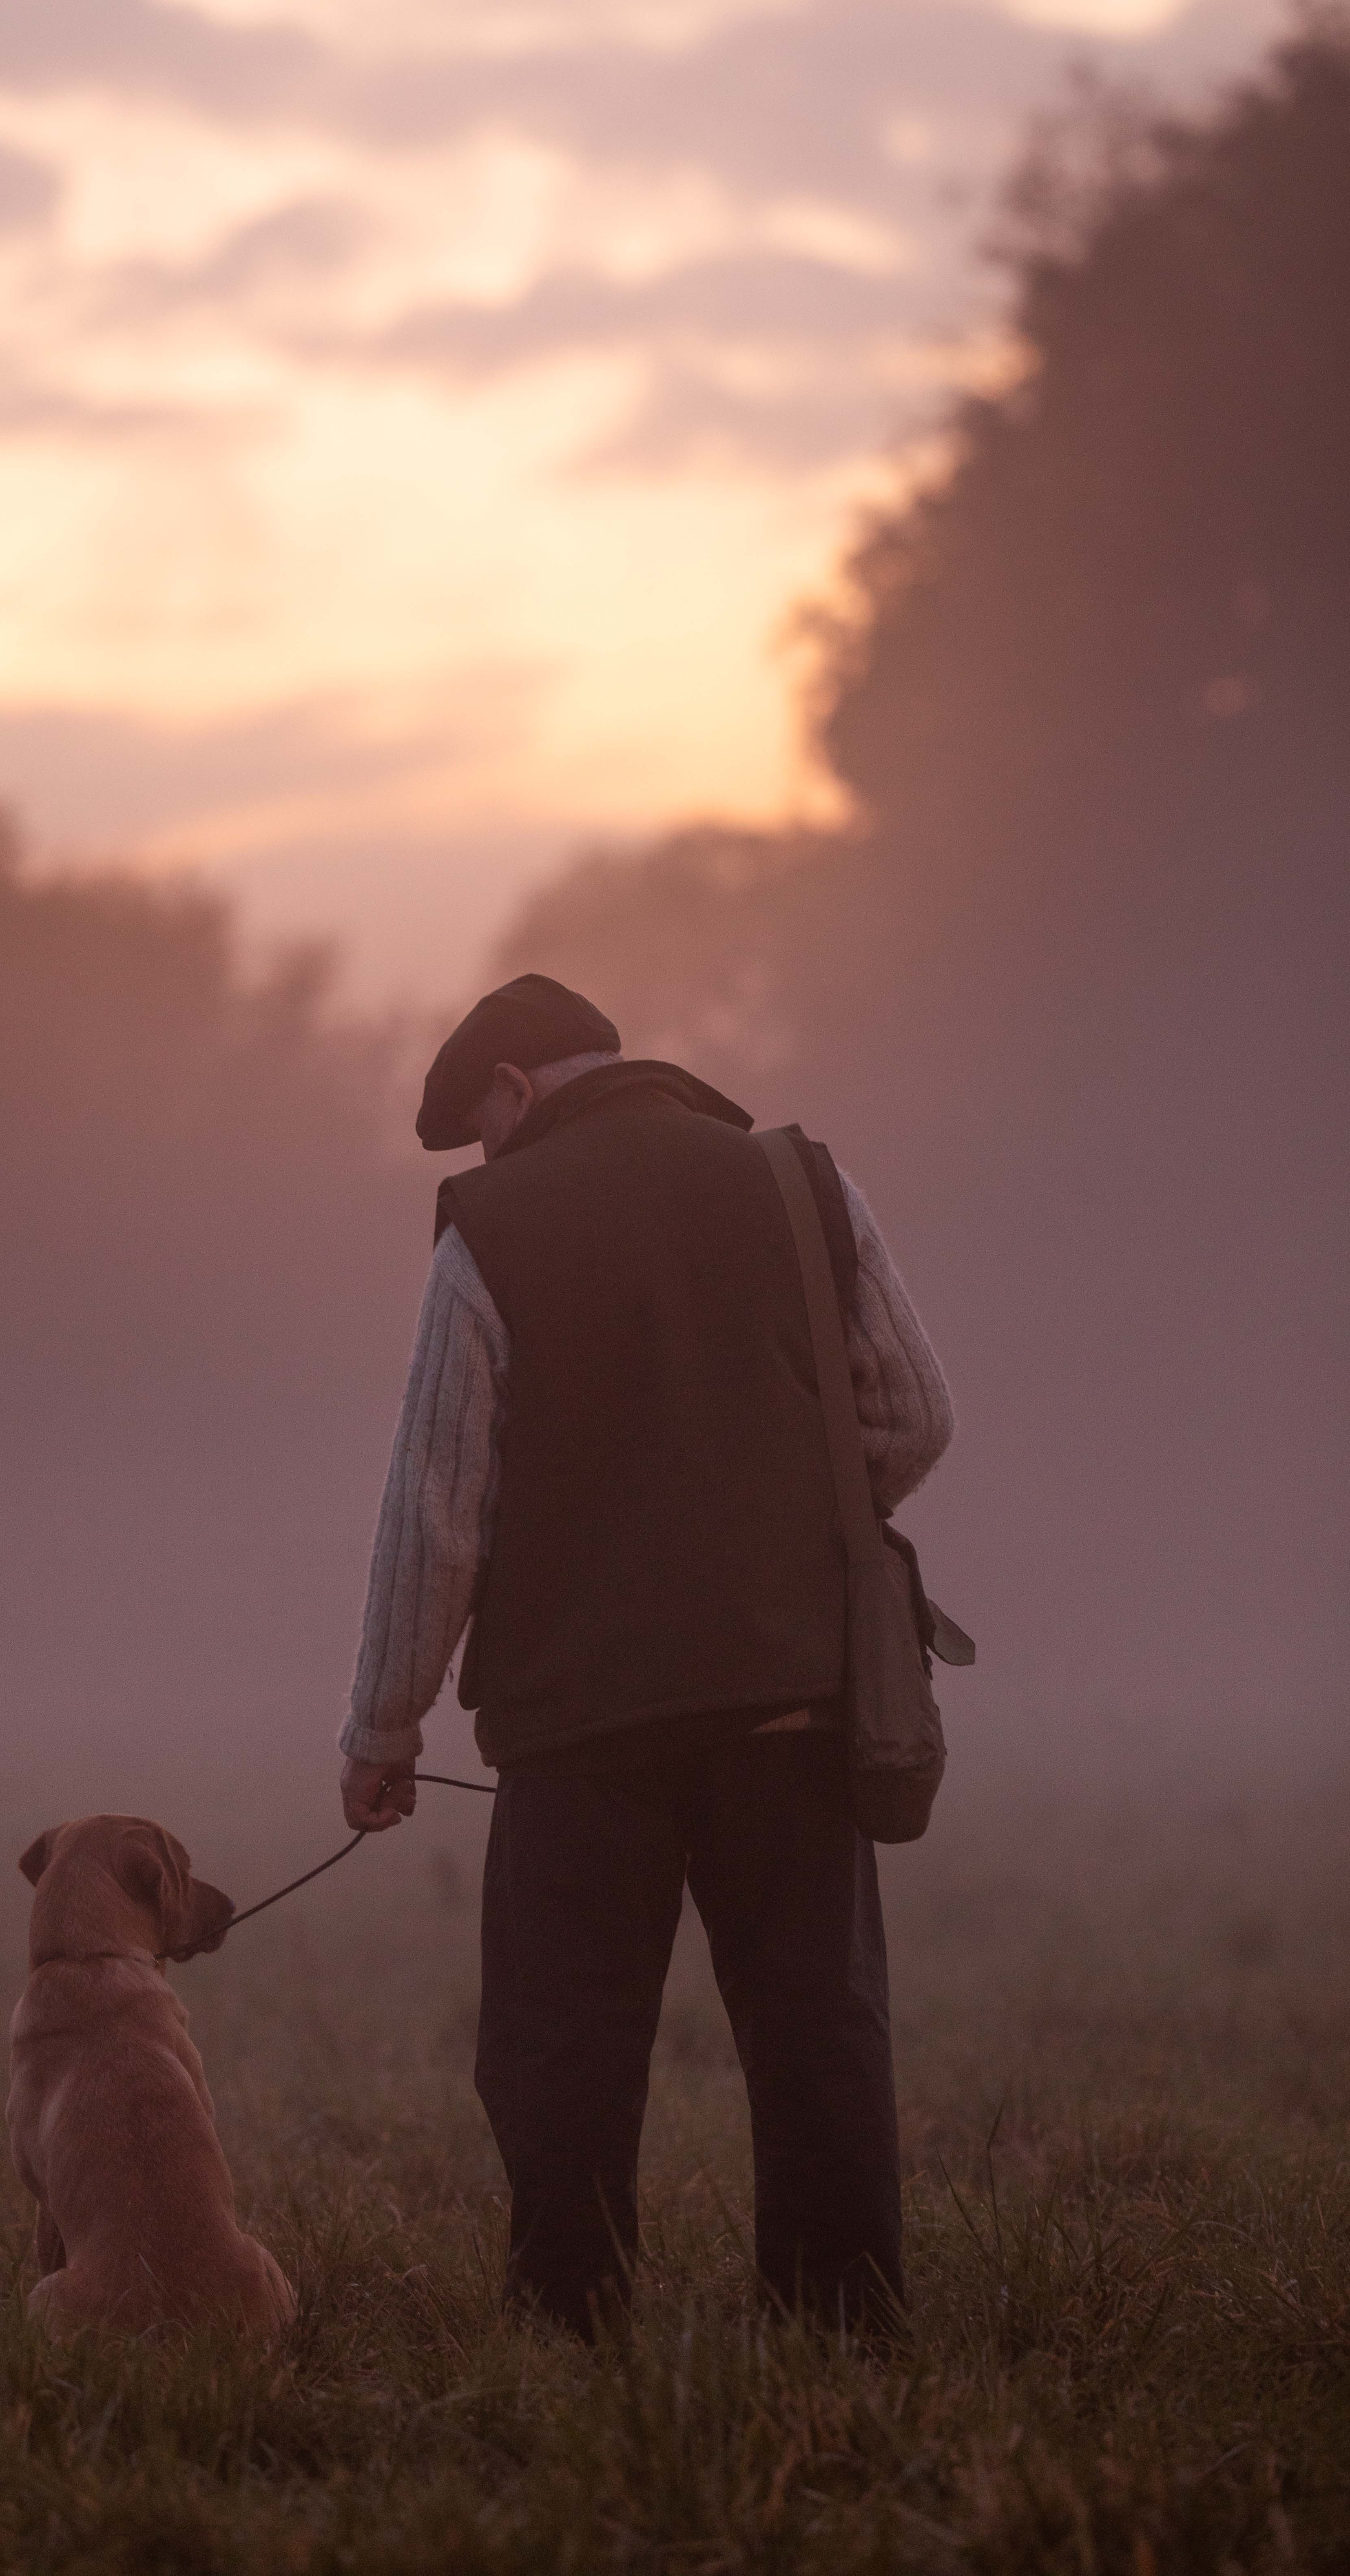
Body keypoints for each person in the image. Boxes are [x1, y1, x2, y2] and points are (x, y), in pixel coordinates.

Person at [337, 973, 954, 2341]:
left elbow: (435, 1508)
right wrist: (780, 1523)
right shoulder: (799, 1182)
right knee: (819, 2038)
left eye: (482, 1126)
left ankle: (570, 2338)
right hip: (792, 1697)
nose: (486, 1156)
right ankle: (841, 2339)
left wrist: (383, 1730)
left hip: (580, 1729)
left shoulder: (490, 1231)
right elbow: (915, 1415)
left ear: (508, 1091)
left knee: (562, 2055)